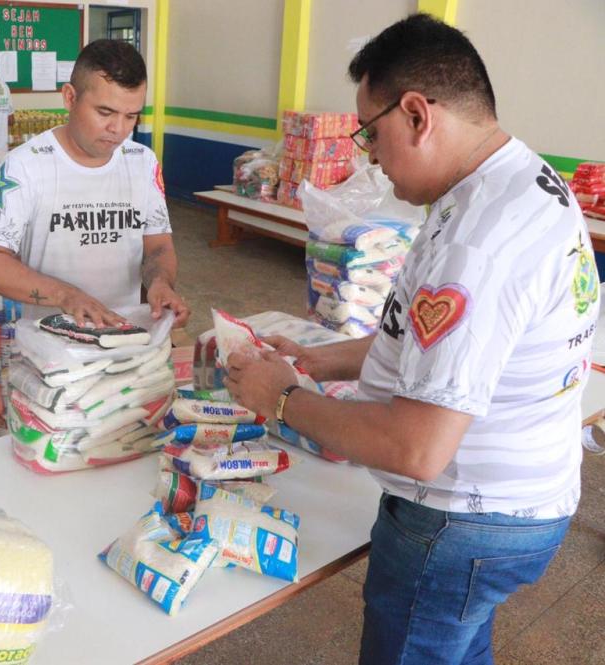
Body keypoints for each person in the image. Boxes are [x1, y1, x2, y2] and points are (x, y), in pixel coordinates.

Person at [224, 14, 598, 665]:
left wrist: (282, 398)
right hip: (518, 503)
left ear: (418, 115)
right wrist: (321, 357)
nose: (367, 155)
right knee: (456, 643)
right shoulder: (515, 181)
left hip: (460, 521)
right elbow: (441, 345)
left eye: (370, 133)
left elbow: (417, 447)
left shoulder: (477, 243)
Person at [0, 39, 189, 328]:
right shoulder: (26, 164)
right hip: (52, 346)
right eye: (105, 112)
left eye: (131, 116)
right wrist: (66, 296)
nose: (118, 129)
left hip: (127, 336)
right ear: (70, 98)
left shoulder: (142, 162)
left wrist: (161, 284)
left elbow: (158, 245)